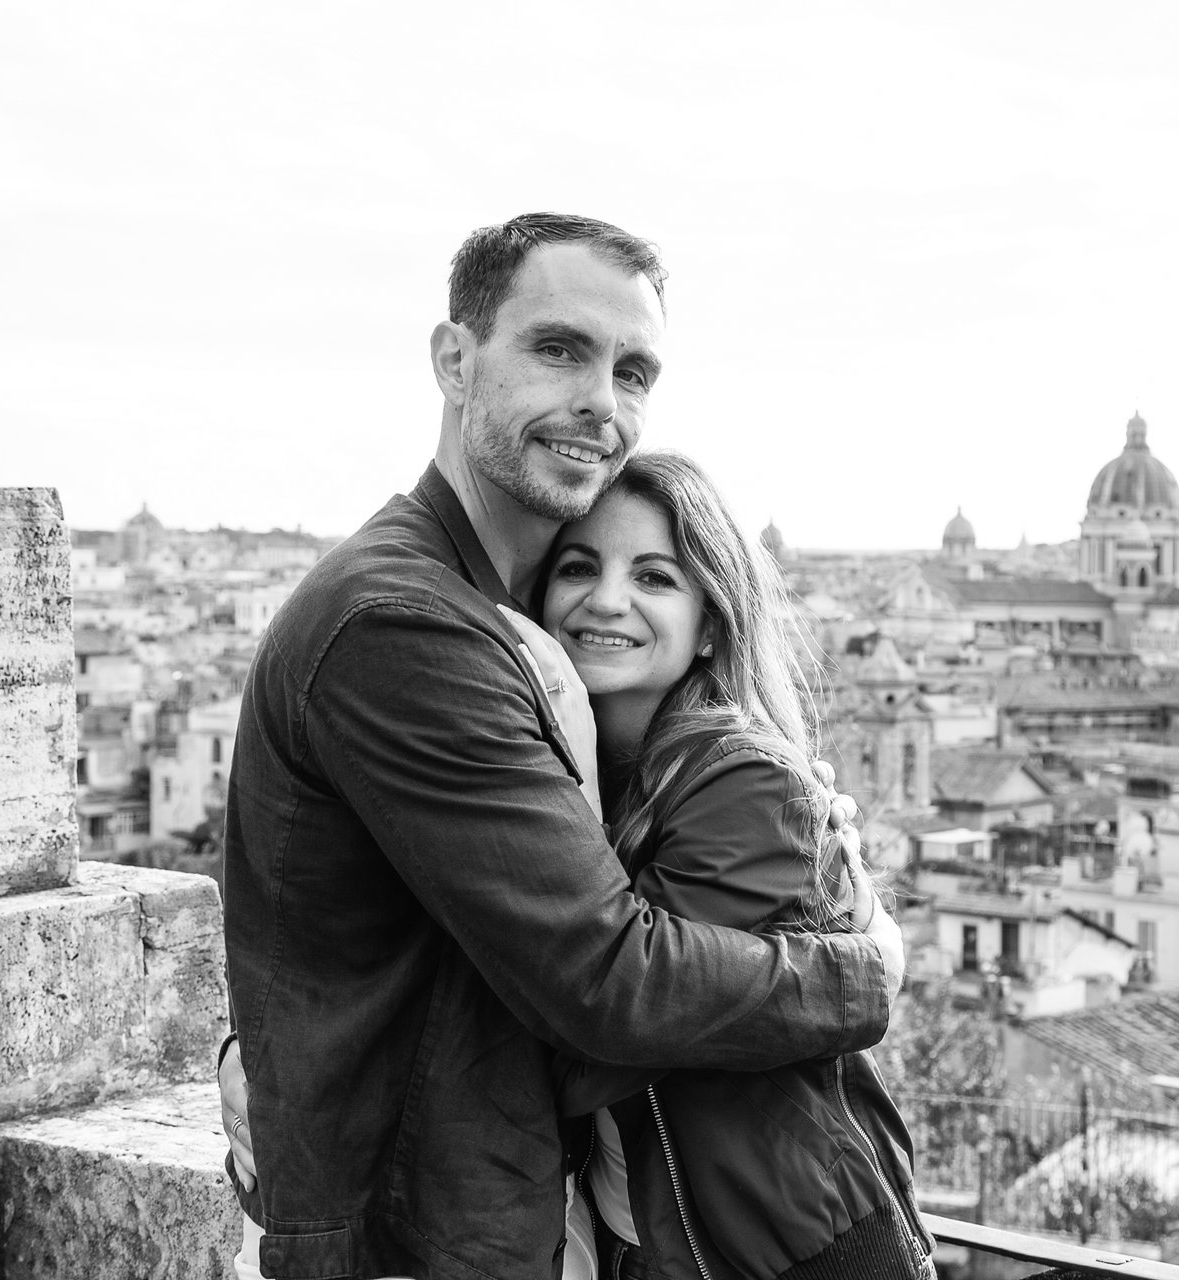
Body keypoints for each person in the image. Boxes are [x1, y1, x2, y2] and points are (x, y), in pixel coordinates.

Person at [218, 213, 905, 1280]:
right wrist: (864, 974)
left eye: (633, 372)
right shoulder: (407, 623)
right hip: (417, 1235)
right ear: (454, 361)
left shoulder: (494, 612)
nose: (602, 402)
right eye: (559, 348)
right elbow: (607, 978)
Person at [535, 450, 936, 1280]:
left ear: (712, 623)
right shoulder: (583, 779)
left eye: (653, 576)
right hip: (647, 1242)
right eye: (578, 566)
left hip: (791, 1257)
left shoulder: (745, 781)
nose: (606, 598)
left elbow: (600, 1037)